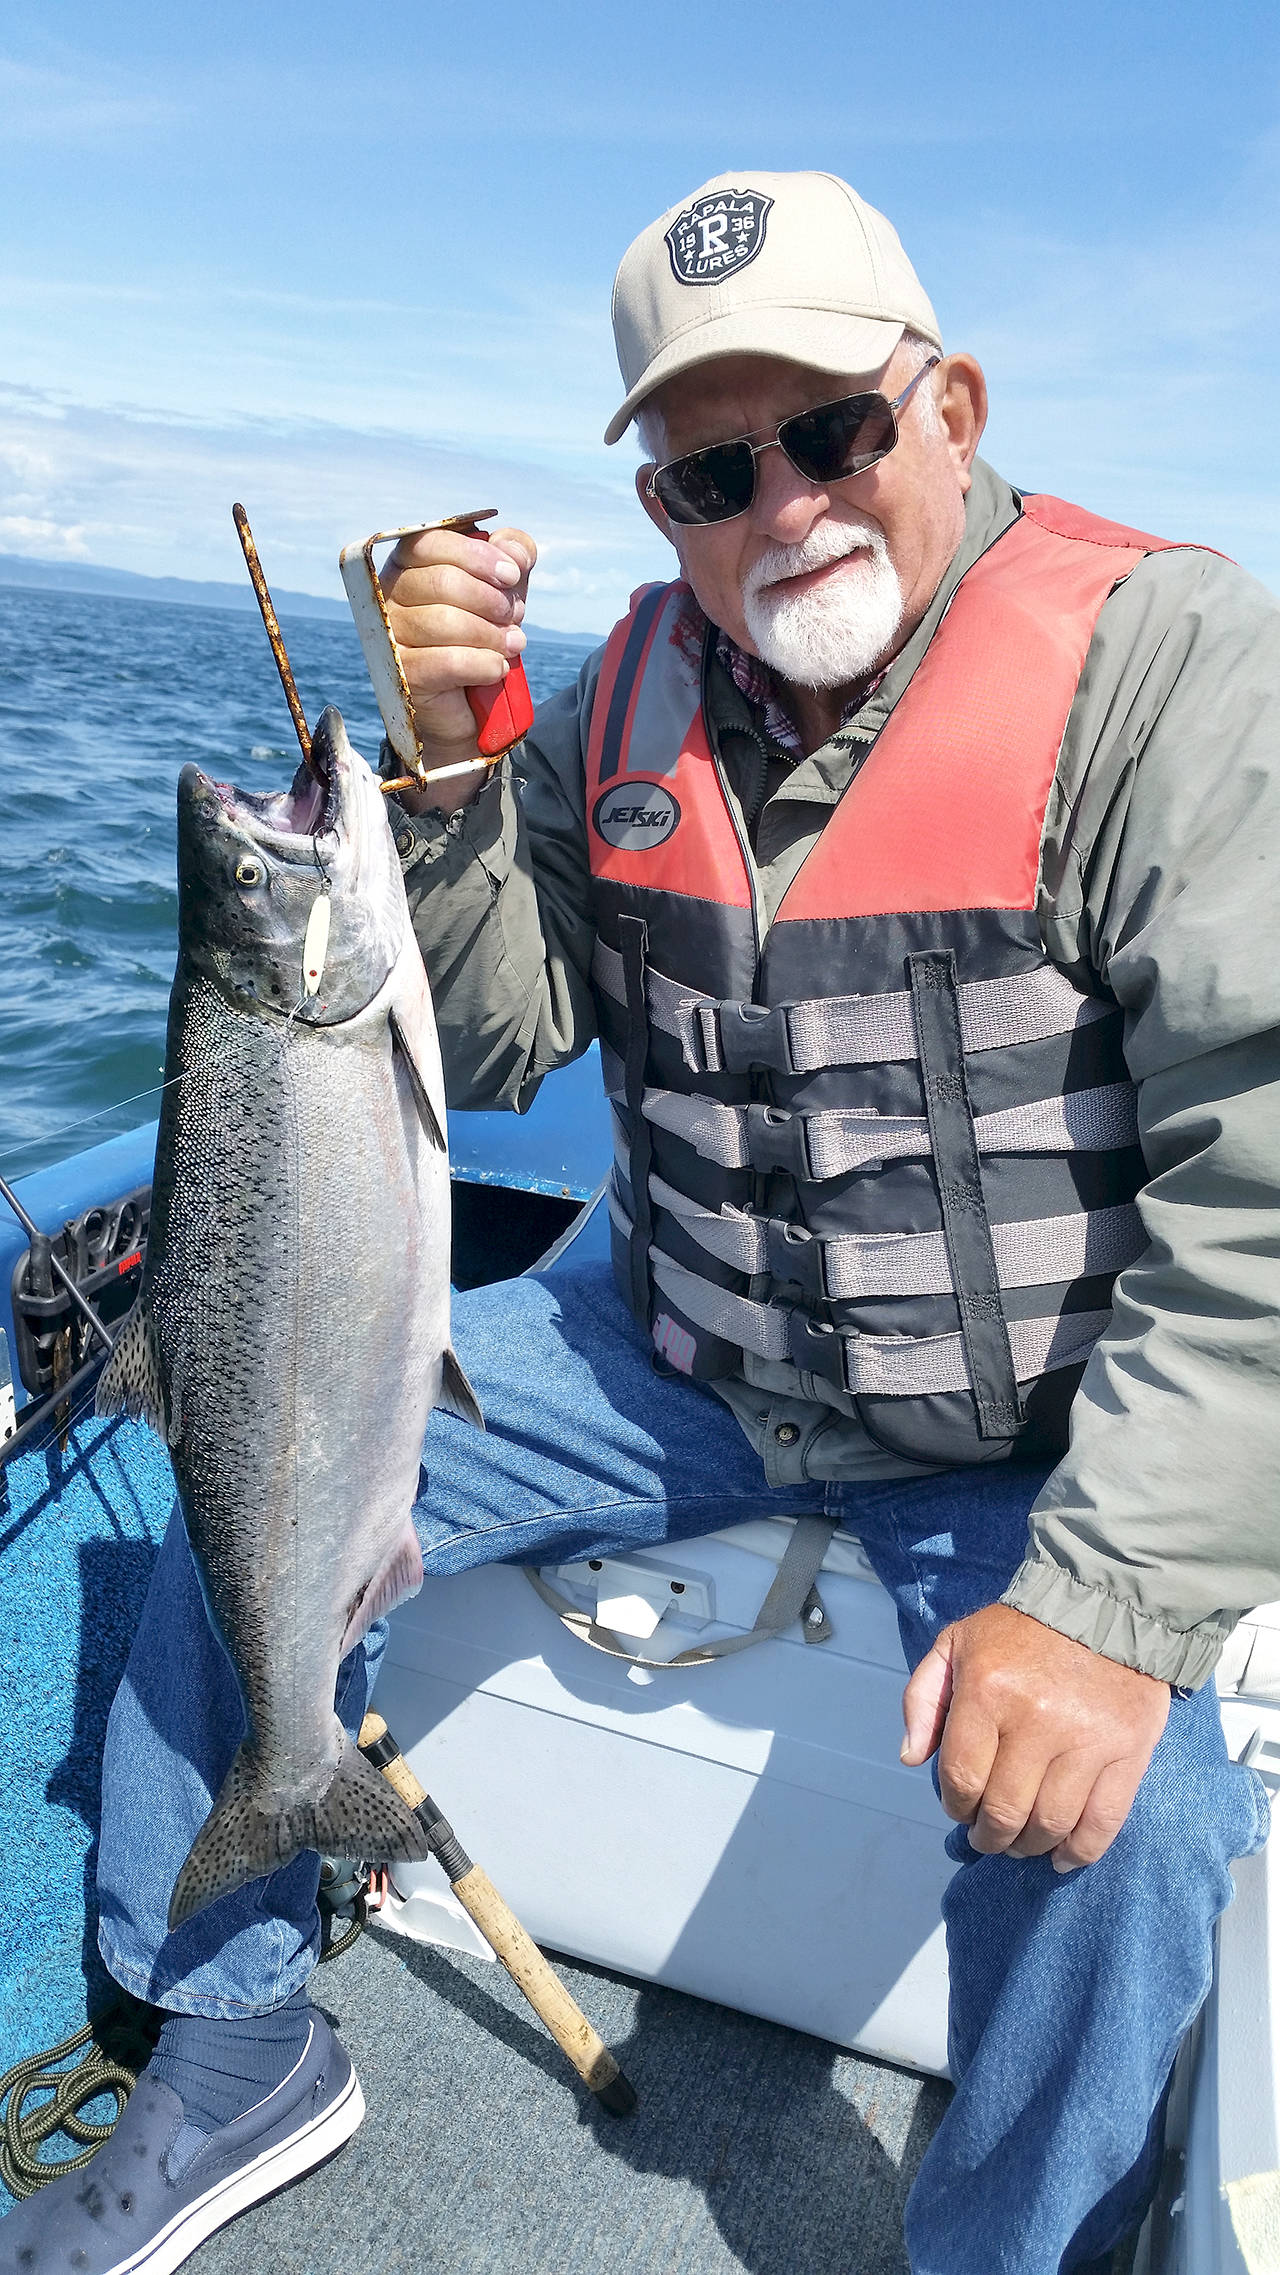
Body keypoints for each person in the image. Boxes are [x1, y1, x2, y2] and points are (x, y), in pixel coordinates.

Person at [4, 169, 1277, 2275]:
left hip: (1024, 1424)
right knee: (237, 1482)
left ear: (946, 400)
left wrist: (1110, 1597)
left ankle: (1012, 2245)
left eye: (830, 434)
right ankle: (228, 2033)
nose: (779, 506)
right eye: (708, 466)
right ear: (656, 499)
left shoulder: (1172, 668)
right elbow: (490, 1049)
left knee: (1131, 1825)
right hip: (670, 1353)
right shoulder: (621, 705)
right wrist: (433, 785)